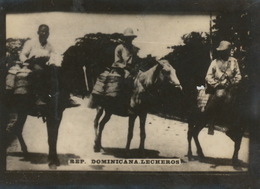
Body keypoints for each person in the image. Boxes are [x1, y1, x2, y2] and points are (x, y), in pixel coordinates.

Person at [20, 24, 77, 107]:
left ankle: (66, 97)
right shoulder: (31, 43)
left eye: (46, 32)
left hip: (45, 65)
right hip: (31, 64)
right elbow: (22, 55)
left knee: (60, 71)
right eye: (42, 31)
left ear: (48, 34)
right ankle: (39, 98)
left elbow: (53, 57)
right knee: (40, 72)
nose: (44, 33)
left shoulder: (50, 46)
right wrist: (27, 62)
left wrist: (54, 64)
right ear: (38, 32)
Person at [205, 40, 242, 135]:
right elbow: (208, 76)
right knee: (220, 95)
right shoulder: (214, 62)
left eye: (225, 51)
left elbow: (238, 75)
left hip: (232, 87)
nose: (223, 53)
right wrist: (217, 84)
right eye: (221, 51)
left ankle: (232, 124)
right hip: (219, 87)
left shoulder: (234, 61)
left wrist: (234, 82)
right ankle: (211, 122)